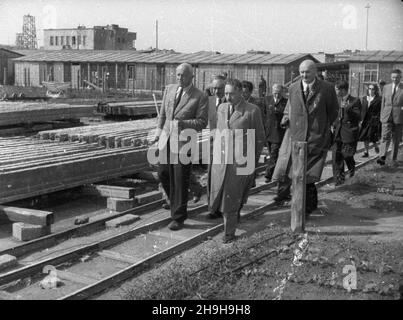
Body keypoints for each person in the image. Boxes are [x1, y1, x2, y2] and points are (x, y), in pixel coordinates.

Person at [272, 60, 339, 215]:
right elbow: (290, 107)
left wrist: (322, 127)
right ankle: (305, 207)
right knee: (298, 174)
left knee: (310, 175)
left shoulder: (327, 88)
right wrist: (287, 118)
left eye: (307, 72)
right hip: (296, 138)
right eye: (301, 72)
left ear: (315, 71)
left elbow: (333, 111)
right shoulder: (293, 88)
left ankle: (307, 208)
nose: (304, 75)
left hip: (317, 138)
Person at [208, 78, 265, 243]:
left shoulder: (252, 111)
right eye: (226, 93)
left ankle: (229, 234)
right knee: (218, 193)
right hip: (220, 160)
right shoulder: (222, 108)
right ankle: (232, 219)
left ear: (241, 92)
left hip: (239, 162)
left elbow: (259, 138)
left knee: (231, 197)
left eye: (231, 93)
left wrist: (251, 162)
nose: (228, 97)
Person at [154, 63, 208, 230]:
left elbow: (202, 122)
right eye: (177, 75)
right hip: (166, 139)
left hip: (184, 142)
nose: (179, 78)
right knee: (163, 173)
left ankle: (178, 217)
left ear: (192, 77)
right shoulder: (169, 89)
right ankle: (174, 201)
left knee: (179, 178)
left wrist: (183, 123)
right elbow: (163, 113)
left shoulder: (199, 96)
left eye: (183, 75)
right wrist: (158, 133)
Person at [331, 80, 362, 185]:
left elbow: (358, 116)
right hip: (337, 133)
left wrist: (347, 108)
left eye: (336, 89)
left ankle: (352, 173)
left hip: (348, 133)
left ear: (343, 90)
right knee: (336, 157)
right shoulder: (336, 100)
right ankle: (339, 181)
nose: (335, 92)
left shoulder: (355, 100)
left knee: (347, 155)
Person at [206, 74, 226, 219]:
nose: (217, 91)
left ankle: (222, 206)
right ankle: (212, 207)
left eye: (220, 88)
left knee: (224, 177)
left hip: (227, 145)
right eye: (214, 88)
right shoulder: (209, 101)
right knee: (211, 177)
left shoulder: (231, 101)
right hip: (212, 144)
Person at [377, 69, 403, 166]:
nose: (395, 79)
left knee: (396, 139)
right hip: (387, 116)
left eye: (397, 77)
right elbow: (383, 102)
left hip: (399, 116)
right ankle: (382, 157)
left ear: (400, 77)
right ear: (391, 77)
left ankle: (393, 159)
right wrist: (381, 116)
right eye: (393, 77)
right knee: (384, 137)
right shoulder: (386, 88)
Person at [263, 84, 287, 182]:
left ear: (282, 92)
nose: (276, 95)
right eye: (275, 93)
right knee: (271, 154)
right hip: (268, 131)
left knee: (274, 153)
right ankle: (275, 171)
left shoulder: (285, 102)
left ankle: (268, 175)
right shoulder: (267, 99)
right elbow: (263, 113)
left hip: (278, 132)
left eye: (279, 93)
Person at [358, 84, 381, 157]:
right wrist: (361, 119)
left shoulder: (378, 99)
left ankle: (375, 146)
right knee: (365, 136)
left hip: (373, 120)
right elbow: (362, 110)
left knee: (371, 135)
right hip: (365, 120)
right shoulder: (364, 98)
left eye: (372, 89)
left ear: (375, 90)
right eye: (369, 88)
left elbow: (379, 110)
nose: (371, 90)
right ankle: (366, 152)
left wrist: (378, 119)